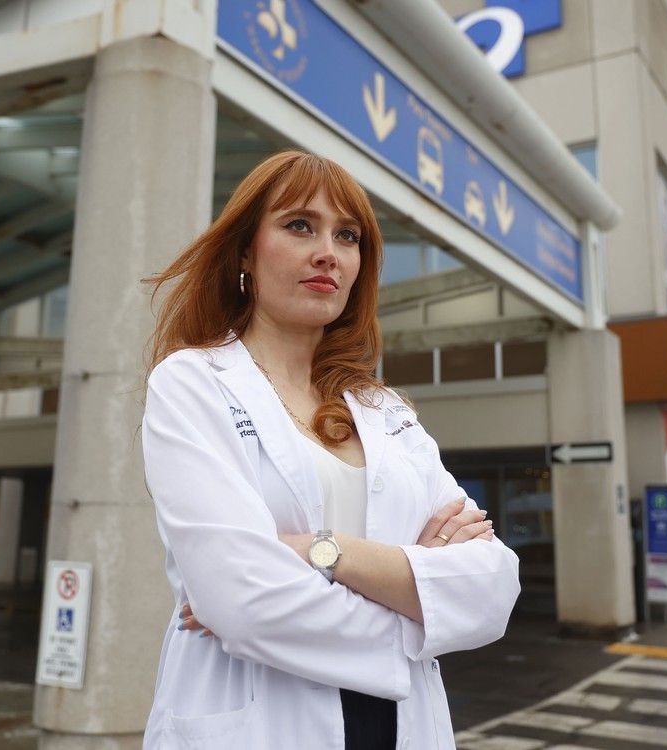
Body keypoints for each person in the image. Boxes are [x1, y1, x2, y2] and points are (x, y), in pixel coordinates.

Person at [140, 150, 521, 748]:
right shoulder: (193, 383)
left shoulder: (384, 411)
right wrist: (419, 605)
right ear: (244, 252)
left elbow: (491, 587)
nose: (328, 253)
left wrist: (321, 551)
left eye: (347, 236)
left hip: (401, 727)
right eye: (300, 226)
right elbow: (244, 601)